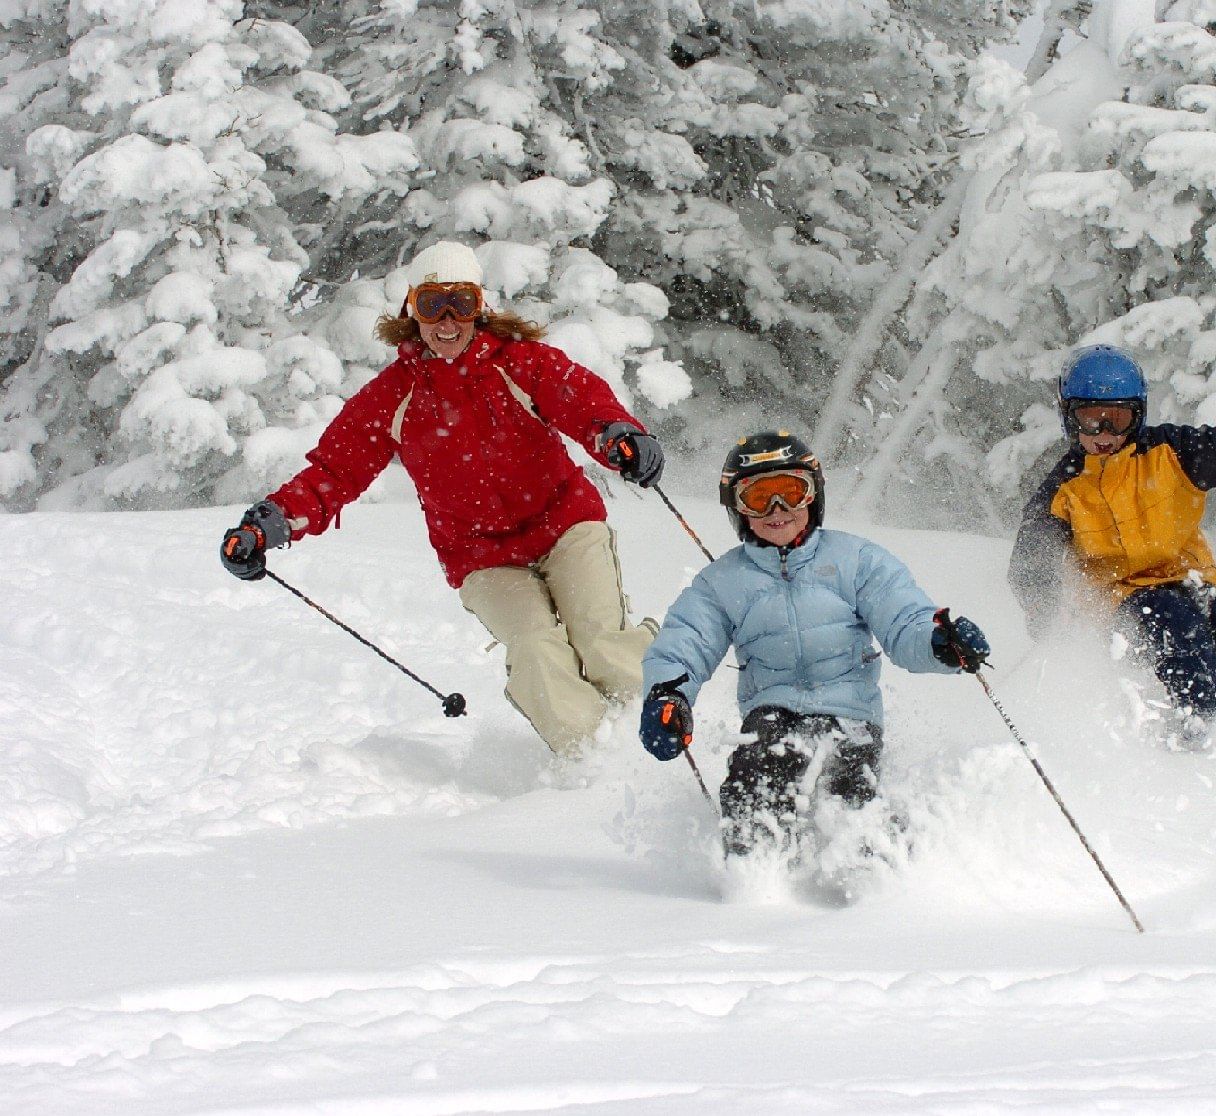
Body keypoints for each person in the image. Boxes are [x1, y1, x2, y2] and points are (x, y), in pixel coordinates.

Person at [219, 241, 665, 760]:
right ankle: (599, 761)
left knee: (601, 644)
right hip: (483, 556)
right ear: (412, 309)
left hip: (565, 523)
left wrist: (618, 435)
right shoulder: (395, 394)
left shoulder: (518, 363)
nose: (447, 321)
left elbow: (580, 399)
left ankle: (656, 734)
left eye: (462, 303)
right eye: (433, 304)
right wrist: (268, 524)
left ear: (481, 307)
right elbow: (335, 471)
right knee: (537, 650)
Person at [638, 431, 992, 858]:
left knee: (849, 782)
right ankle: (758, 873)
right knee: (760, 771)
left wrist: (939, 642)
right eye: (758, 497)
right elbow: (686, 642)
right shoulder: (723, 582)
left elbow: (904, 622)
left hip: (849, 710)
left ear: (814, 496)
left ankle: (878, 869)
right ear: (737, 508)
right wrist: (668, 695)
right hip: (771, 709)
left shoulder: (856, 560)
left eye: (791, 491)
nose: (777, 511)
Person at [1009, 343, 1216, 751]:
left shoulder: (1171, 453)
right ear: (1068, 418)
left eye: (1119, 420)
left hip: (1188, 577)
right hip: (1119, 595)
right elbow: (1030, 558)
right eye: (1091, 421)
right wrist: (1042, 607)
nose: (1105, 436)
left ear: (1139, 415)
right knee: (1176, 627)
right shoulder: (1062, 489)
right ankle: (1203, 724)